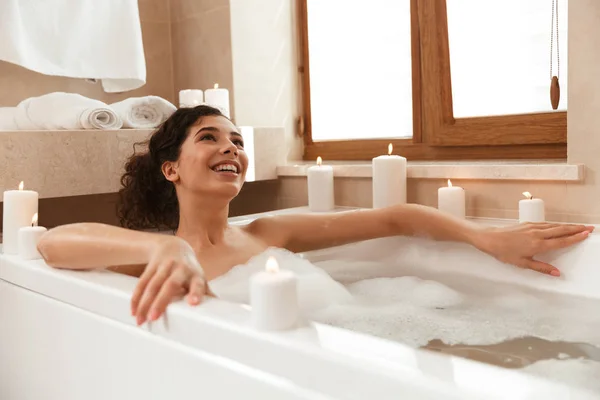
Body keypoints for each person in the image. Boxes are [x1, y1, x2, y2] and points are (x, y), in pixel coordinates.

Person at [37, 105, 594, 326]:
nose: (231, 149)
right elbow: (52, 243)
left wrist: (483, 236)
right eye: (209, 139)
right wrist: (163, 246)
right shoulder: (157, 259)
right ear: (170, 170)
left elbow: (396, 219)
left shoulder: (267, 233)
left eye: (237, 140)